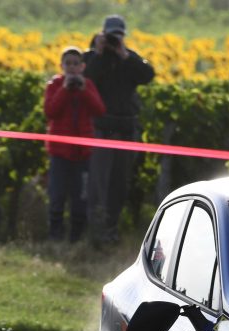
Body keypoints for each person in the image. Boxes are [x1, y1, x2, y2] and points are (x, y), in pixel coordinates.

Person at [84, 15, 155, 243]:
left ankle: (112, 228)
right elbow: (87, 77)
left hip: (125, 130)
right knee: (98, 183)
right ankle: (95, 230)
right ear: (102, 34)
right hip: (102, 131)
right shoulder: (92, 58)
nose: (115, 39)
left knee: (119, 183)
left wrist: (125, 55)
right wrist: (99, 52)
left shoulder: (129, 59)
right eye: (111, 35)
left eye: (118, 35)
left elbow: (148, 75)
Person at [43, 46, 106, 242]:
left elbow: (99, 110)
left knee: (81, 198)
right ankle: (55, 238)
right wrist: (64, 90)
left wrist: (83, 90)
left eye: (75, 64)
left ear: (82, 66)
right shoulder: (54, 85)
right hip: (60, 154)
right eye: (67, 64)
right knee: (57, 197)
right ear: (61, 66)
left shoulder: (88, 85)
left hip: (83, 154)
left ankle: (76, 240)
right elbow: (50, 111)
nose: (71, 68)